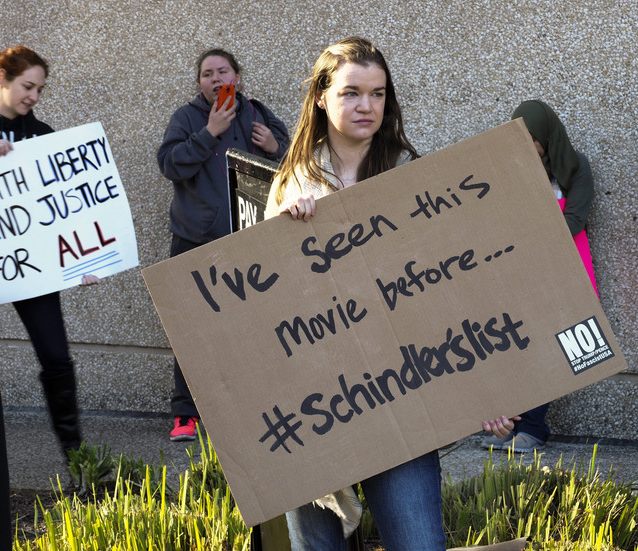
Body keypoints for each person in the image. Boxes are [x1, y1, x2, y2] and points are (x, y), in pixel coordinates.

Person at [267, 36, 517, 551]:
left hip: (400, 394)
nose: (367, 107)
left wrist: (485, 388)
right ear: (321, 96)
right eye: (352, 93)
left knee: (420, 543)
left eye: (378, 94)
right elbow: (270, 307)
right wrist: (284, 226)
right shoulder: (292, 182)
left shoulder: (415, 179)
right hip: (317, 405)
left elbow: (448, 288)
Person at [157, 48, 290, 441]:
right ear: (199, 83)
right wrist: (209, 132)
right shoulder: (187, 118)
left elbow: (295, 164)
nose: (215, 79)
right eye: (207, 74)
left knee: (253, 327)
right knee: (191, 330)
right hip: (195, 241)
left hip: (251, 240)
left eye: (223, 71)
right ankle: (186, 414)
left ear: (238, 75)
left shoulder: (258, 112)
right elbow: (169, 164)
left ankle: (247, 408)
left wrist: (273, 148)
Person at [0, 46, 98, 461]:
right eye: (27, 86)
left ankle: (78, 459)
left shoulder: (43, 136)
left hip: (31, 267)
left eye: (39, 88)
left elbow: (66, 210)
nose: (34, 96)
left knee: (56, 357)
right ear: (2, 76)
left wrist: (85, 260)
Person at [482, 99, 598, 453]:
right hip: (521, 268)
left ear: (546, 135)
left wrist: (529, 235)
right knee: (520, 346)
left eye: (531, 138)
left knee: (554, 348)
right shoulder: (511, 167)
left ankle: (533, 428)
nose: (526, 146)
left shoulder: (576, 166)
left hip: (564, 264)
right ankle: (513, 425)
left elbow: (575, 219)